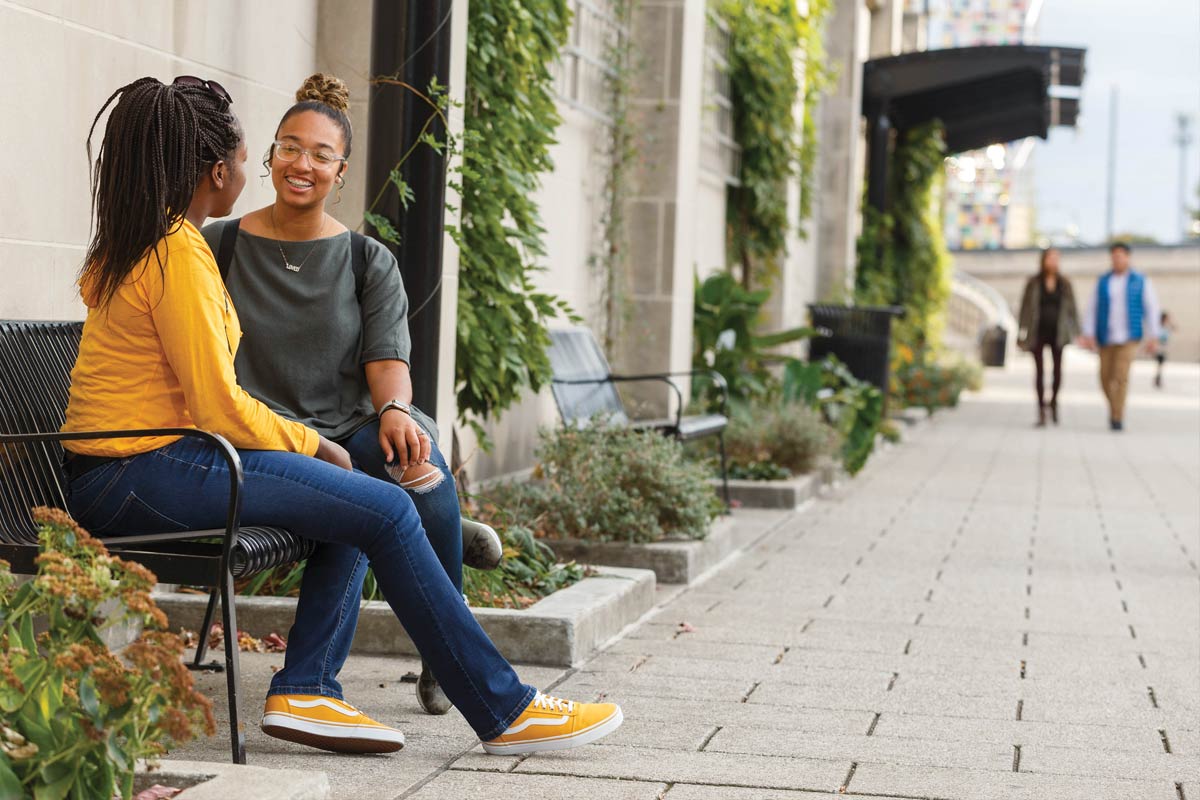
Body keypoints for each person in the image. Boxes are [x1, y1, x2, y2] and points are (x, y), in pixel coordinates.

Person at [61, 76, 621, 757]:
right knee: (381, 506)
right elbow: (215, 402)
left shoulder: (157, 239)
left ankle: (308, 689)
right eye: (248, 155)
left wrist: (318, 450)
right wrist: (310, 445)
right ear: (218, 171)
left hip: (142, 464)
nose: (251, 168)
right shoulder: (181, 250)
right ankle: (504, 710)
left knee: (359, 502)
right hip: (139, 469)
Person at [201, 74, 496, 718]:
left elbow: (386, 362)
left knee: (419, 461)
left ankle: (440, 653)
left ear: (341, 171)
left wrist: (394, 410)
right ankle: (330, 677)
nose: (302, 164)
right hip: (262, 433)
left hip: (349, 423)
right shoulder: (218, 244)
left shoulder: (367, 260)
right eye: (289, 147)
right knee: (375, 496)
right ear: (271, 155)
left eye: (321, 154)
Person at [1079, 242, 1161, 431]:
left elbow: (1151, 308)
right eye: (1114, 256)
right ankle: (1115, 408)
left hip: (1129, 337)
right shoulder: (1103, 281)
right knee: (1105, 377)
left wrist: (1153, 336)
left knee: (1121, 376)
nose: (1117, 259)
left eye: (1121, 256)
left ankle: (1118, 416)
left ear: (1128, 257)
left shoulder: (1140, 281)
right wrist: (1088, 333)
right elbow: (1092, 308)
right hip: (1106, 336)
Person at [1017, 247, 1080, 426]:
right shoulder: (1034, 282)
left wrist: (1077, 332)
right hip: (1037, 331)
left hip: (1058, 333)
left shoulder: (1064, 283)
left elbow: (1073, 309)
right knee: (1039, 372)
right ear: (1043, 260)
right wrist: (1021, 331)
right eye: (1050, 258)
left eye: (1056, 259)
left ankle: (1053, 402)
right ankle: (1040, 410)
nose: (1053, 262)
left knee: (1058, 371)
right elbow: (1024, 308)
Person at [1154, 310, 1174, 389]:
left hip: (1163, 348)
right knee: (1160, 363)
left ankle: (1158, 378)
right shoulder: (1159, 327)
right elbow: (1159, 337)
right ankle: (1158, 379)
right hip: (1159, 348)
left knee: (1160, 365)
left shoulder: (1166, 327)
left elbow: (1174, 328)